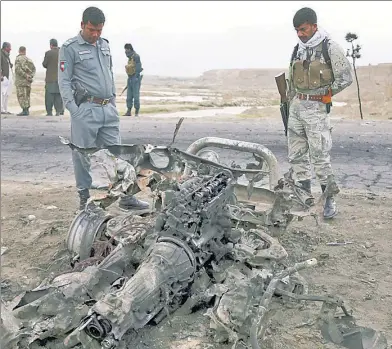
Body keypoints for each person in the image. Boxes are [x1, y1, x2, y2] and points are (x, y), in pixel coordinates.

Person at [58, 6, 149, 211]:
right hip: (86, 109)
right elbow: (63, 82)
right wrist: (74, 110)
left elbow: (109, 72)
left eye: (99, 30)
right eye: (92, 30)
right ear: (82, 25)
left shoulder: (104, 45)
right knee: (83, 156)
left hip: (108, 109)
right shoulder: (70, 48)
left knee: (117, 154)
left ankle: (126, 197)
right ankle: (85, 200)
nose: (96, 34)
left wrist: (114, 100)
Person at [287, 7, 353, 219]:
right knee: (296, 156)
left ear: (314, 26)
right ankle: (303, 196)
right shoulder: (298, 48)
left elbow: (345, 77)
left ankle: (328, 200)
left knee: (320, 156)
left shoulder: (329, 47)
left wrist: (327, 94)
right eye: (297, 30)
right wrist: (290, 102)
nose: (300, 33)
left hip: (316, 109)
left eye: (303, 29)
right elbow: (292, 78)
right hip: (297, 108)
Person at [42, 38, 64, 116]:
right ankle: (59, 111)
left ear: (51, 45)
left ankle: (49, 112)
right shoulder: (62, 52)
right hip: (60, 78)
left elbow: (44, 64)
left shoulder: (48, 53)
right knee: (58, 96)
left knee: (49, 97)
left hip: (50, 78)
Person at [14, 46, 36, 116]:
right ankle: (27, 110)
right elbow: (34, 69)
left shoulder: (18, 59)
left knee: (21, 96)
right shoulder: (29, 59)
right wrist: (30, 76)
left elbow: (18, 69)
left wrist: (25, 75)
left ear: (19, 51)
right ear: (25, 51)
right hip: (28, 82)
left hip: (21, 81)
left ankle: (24, 110)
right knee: (27, 96)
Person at [123, 43, 143, 117]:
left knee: (136, 96)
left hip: (135, 77)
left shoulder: (136, 56)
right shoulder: (130, 58)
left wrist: (136, 77)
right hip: (130, 77)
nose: (125, 52)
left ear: (129, 49)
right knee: (129, 96)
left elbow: (138, 67)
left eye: (126, 50)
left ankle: (136, 112)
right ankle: (129, 111)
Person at [1, 42, 13, 114]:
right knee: (2, 93)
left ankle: (5, 109)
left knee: (6, 94)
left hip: (8, 77)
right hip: (3, 77)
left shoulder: (6, 55)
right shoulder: (1, 54)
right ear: (5, 47)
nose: (10, 49)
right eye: (9, 47)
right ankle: (1, 109)